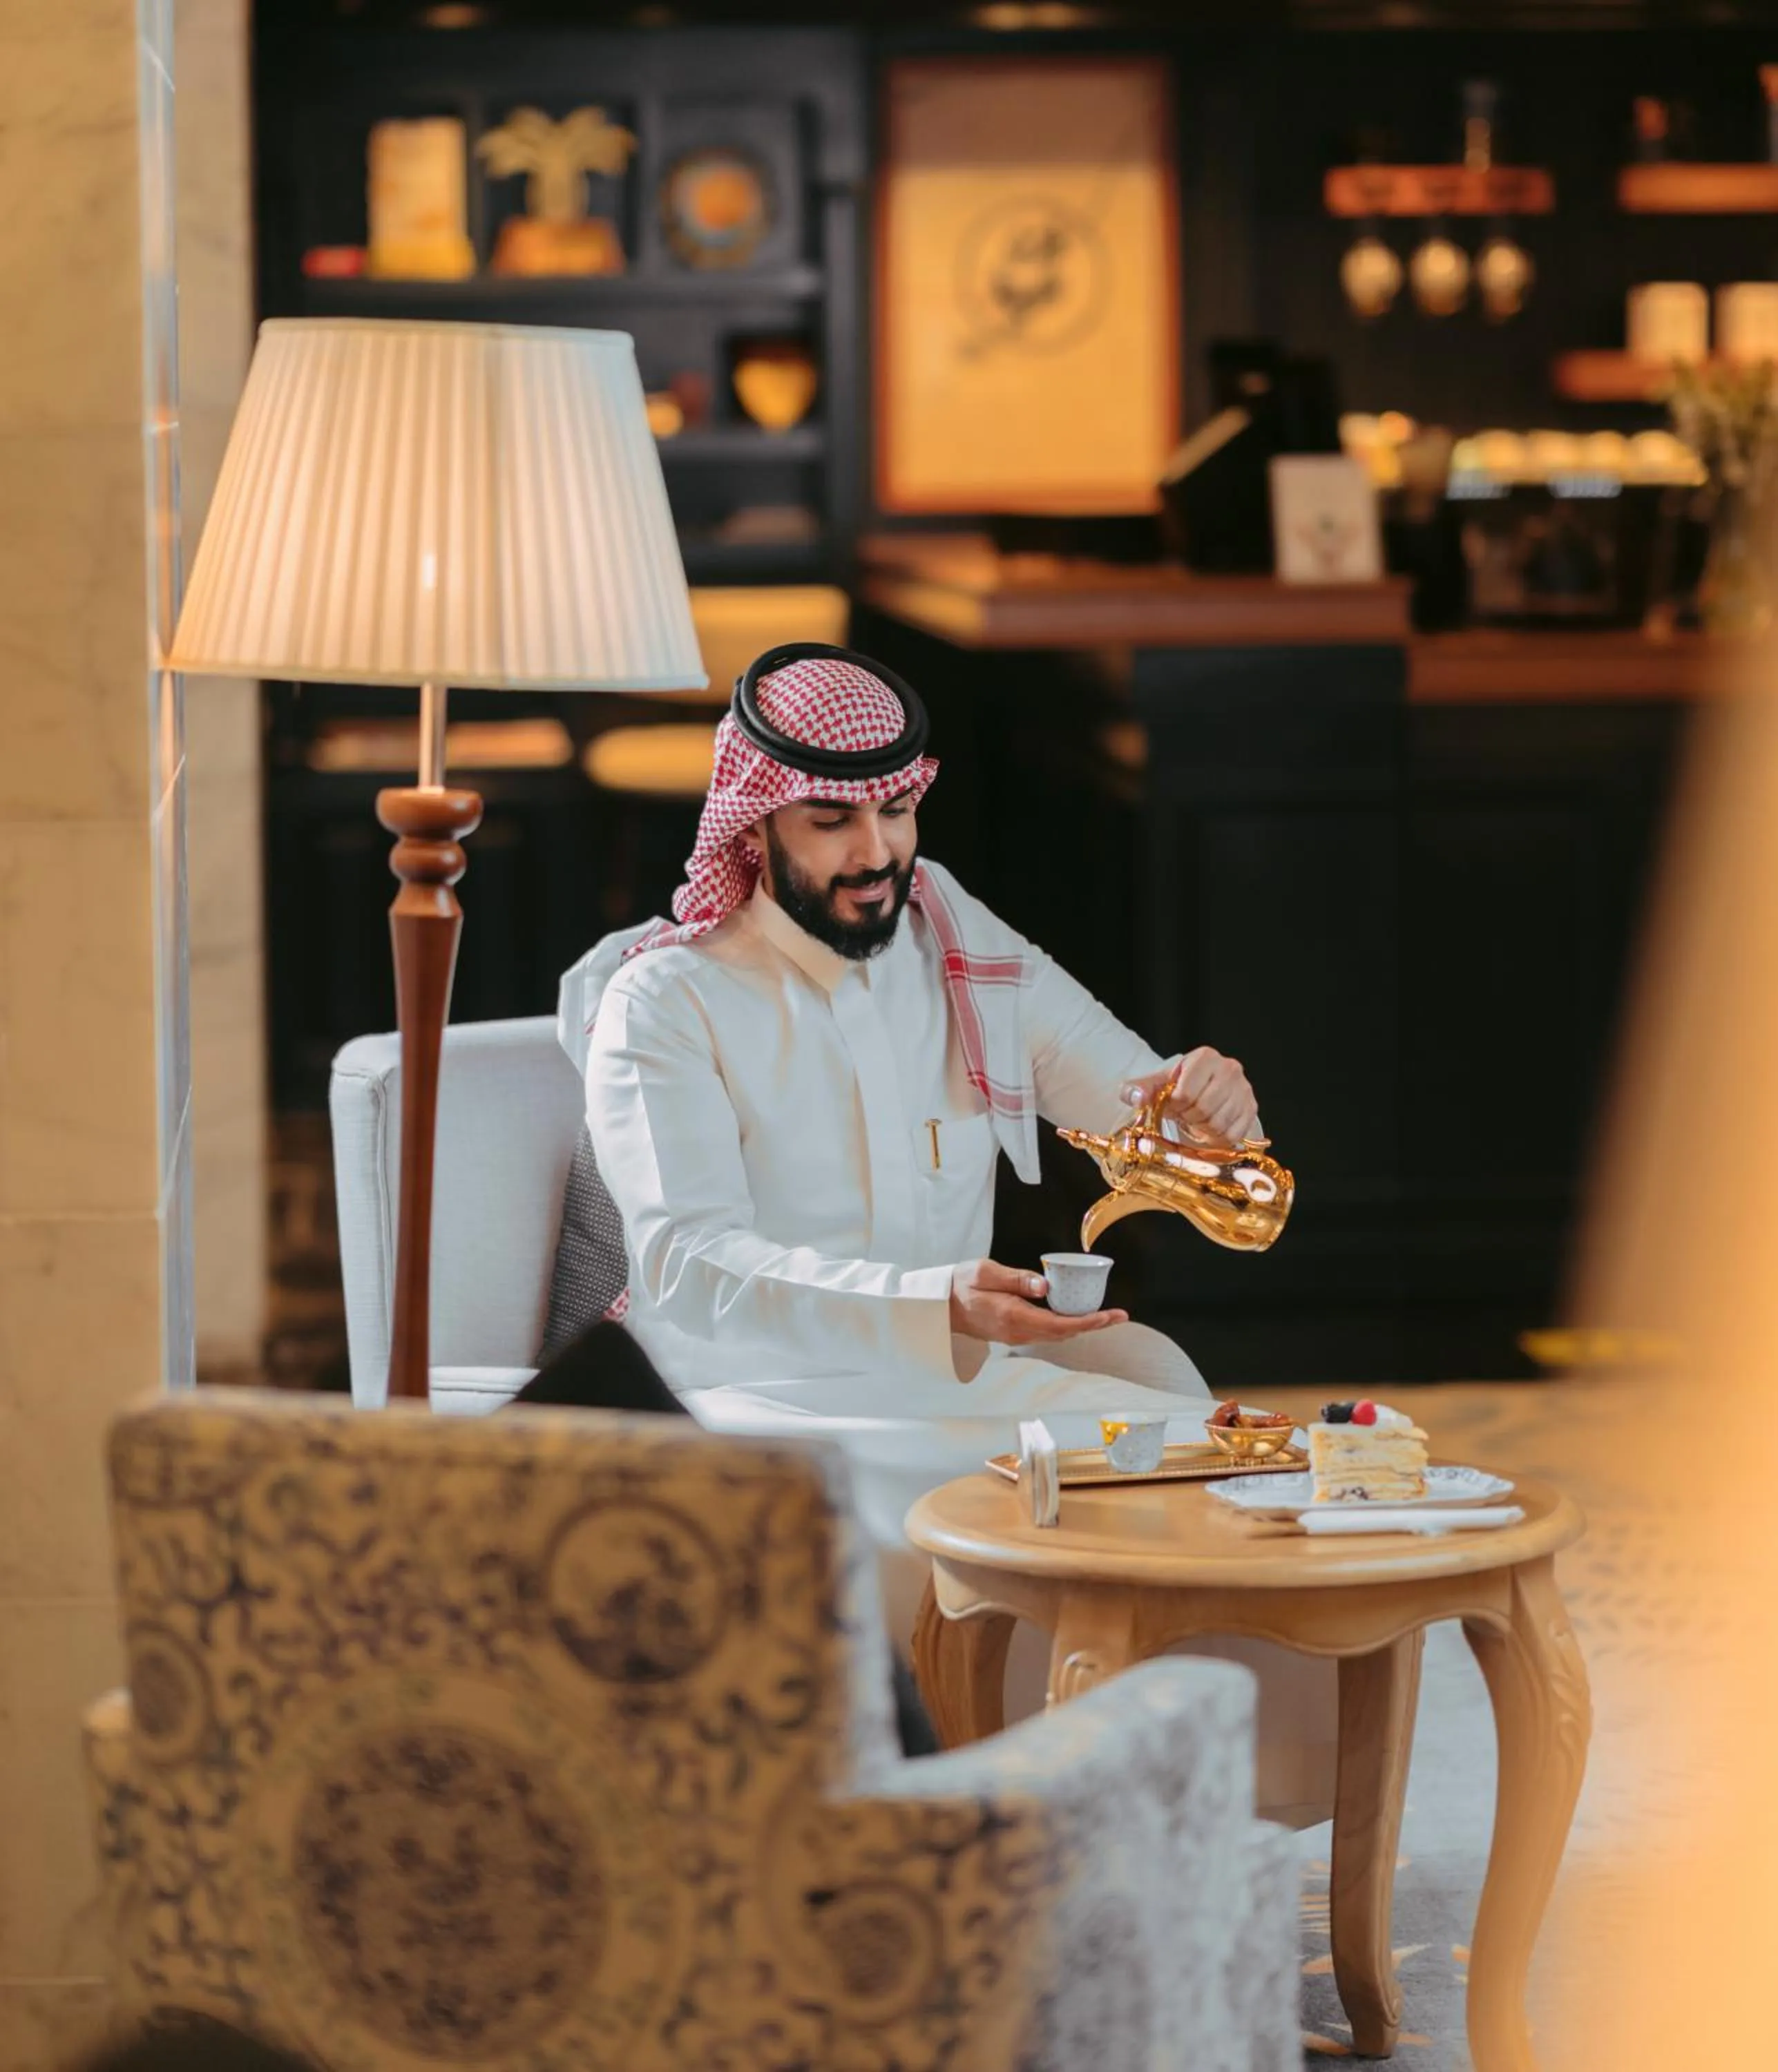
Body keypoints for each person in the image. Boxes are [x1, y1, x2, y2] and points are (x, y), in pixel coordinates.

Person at [564, 643, 1335, 1821]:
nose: (874, 853)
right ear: (755, 826)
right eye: (830, 819)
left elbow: (1133, 1101)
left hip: (963, 1380)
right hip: (762, 1409)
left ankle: (1182, 1822)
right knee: (982, 1518)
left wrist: (1210, 1109)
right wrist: (936, 1305)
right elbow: (685, 1266)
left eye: (897, 809)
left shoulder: (959, 946)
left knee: (1198, 1464)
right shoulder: (668, 1002)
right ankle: (957, 1839)